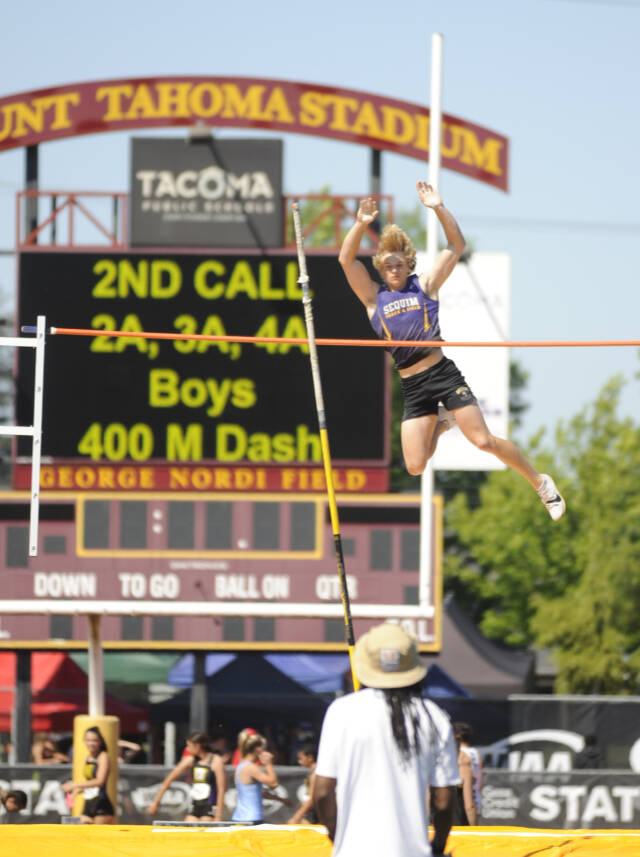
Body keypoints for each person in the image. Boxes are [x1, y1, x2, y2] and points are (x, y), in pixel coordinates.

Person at [338, 183, 566, 522]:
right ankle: (442, 423)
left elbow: (456, 245)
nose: (394, 270)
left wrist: (438, 208)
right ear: (381, 269)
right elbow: (345, 259)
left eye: (399, 264)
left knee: (484, 441)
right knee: (415, 466)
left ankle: (540, 483)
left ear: (408, 264)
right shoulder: (373, 298)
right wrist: (359, 223)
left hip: (442, 375)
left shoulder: (425, 285)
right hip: (413, 386)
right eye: (388, 266)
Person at [314, 622, 460, 857]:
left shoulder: (341, 711)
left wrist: (337, 836)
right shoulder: (434, 716)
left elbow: (322, 792)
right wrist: (438, 847)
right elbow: (443, 801)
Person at [148, 731, 226, 822]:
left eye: (189, 746)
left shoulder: (216, 761)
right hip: (195, 805)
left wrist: (218, 815)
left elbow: (221, 789)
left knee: (205, 826)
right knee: (188, 827)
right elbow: (169, 778)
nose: (187, 749)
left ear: (197, 746)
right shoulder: (191, 760)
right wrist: (155, 802)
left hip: (210, 806)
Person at [62, 726, 114, 824]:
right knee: (77, 828)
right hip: (88, 803)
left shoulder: (103, 756)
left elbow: (99, 781)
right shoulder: (88, 758)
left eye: (94, 740)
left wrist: (74, 785)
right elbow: (90, 782)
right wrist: (76, 792)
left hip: (101, 805)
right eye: (88, 740)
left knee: (98, 837)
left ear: (100, 742)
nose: (91, 743)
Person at [232, 732, 278, 824]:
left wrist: (281, 799)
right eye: (264, 749)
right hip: (250, 818)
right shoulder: (250, 767)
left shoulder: (241, 765)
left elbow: (252, 792)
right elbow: (273, 783)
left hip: (242, 817)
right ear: (258, 750)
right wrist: (268, 764)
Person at [453, 722, 483, 825]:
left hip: (465, 805)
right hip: (476, 800)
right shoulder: (475, 753)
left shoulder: (460, 756)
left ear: (456, 736)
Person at [287, 743, 318, 824]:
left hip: (315, 814)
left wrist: (296, 818)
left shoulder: (315, 774)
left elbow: (311, 799)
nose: (299, 762)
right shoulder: (313, 772)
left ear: (310, 757)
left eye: (301, 758)